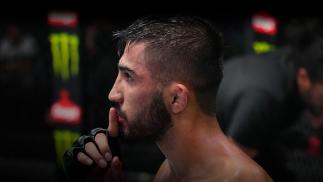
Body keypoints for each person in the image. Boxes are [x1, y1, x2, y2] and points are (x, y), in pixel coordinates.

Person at [63, 16, 273, 182]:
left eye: (128, 76)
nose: (113, 94)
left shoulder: (241, 179)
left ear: (176, 99)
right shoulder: (171, 169)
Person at [216, 18, 323, 181]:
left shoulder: (297, 58)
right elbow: (232, 168)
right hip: (224, 148)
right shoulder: (265, 97)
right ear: (304, 77)